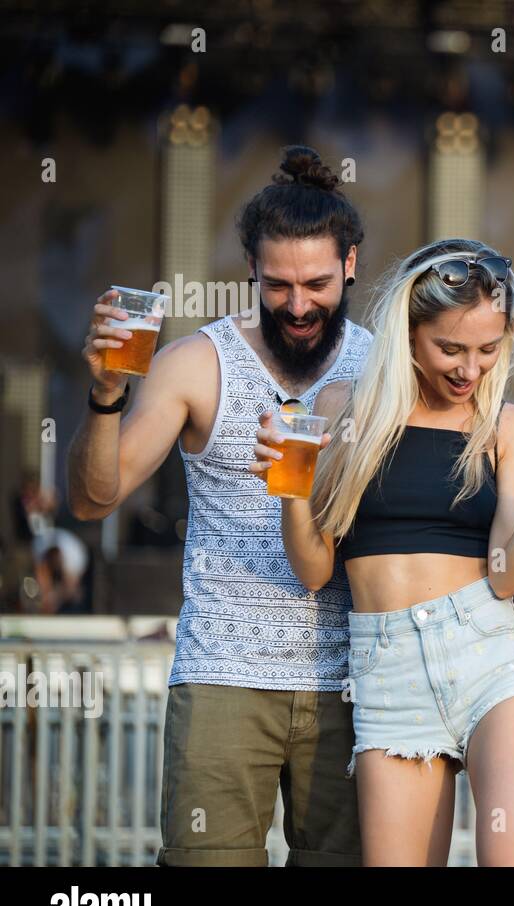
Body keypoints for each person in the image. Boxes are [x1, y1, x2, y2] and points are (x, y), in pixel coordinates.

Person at [66, 145, 373, 866]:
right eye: (277, 285)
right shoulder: (195, 363)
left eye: (318, 284)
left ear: (351, 265)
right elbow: (92, 499)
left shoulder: (384, 362)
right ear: (250, 268)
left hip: (359, 683)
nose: (298, 306)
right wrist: (106, 395)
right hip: (221, 681)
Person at [254, 238, 514, 866]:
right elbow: (316, 570)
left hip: (491, 657)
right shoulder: (342, 411)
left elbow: (509, 579)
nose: (469, 369)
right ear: (407, 334)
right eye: (449, 348)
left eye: (487, 350)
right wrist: (289, 488)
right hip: (387, 672)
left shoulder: (509, 427)